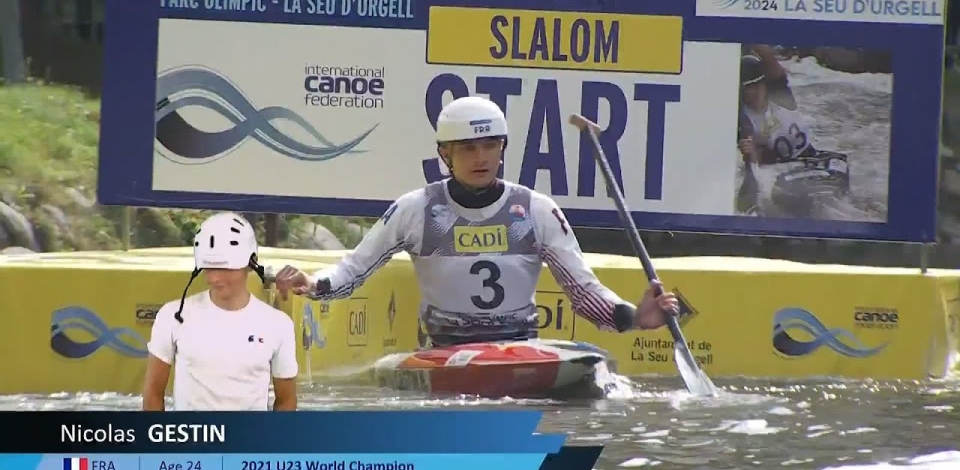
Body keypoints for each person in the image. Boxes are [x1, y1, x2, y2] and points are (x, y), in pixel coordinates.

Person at [275, 96, 680, 347]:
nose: (481, 157)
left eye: (491, 145)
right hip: (445, 349)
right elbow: (351, 272)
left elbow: (583, 291)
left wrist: (632, 318)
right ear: (445, 154)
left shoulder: (535, 210)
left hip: (518, 344)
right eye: (467, 148)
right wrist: (311, 285)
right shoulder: (416, 210)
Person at [142, 212, 298, 411]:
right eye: (208, 268)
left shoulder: (278, 325)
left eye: (224, 268)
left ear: (250, 265)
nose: (214, 278)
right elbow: (153, 394)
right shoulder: (173, 316)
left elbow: (286, 401)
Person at [736, 46, 850, 217]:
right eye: (747, 89)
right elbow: (756, 162)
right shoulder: (744, 119)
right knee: (789, 194)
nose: (753, 92)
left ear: (765, 84)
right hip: (779, 170)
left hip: (810, 158)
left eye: (757, 85)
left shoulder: (781, 97)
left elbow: (768, 58)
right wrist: (750, 153)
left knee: (840, 163)